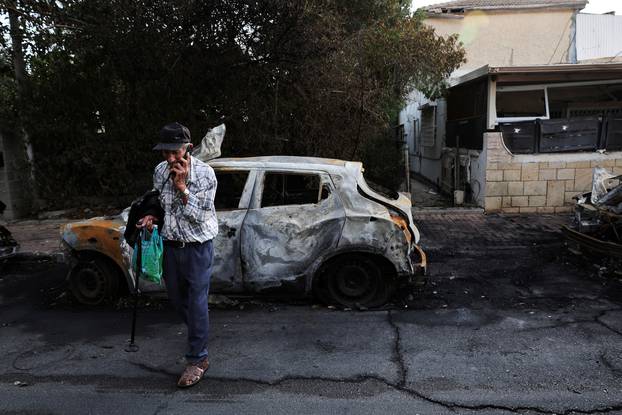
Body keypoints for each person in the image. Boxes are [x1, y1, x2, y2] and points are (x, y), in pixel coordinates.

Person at [138, 122, 218, 388]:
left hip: (197, 247)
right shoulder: (160, 171)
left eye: (176, 152)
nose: (171, 158)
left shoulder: (206, 175)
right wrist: (151, 216)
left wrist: (183, 188)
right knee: (176, 299)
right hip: (171, 245)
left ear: (189, 148)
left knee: (196, 302)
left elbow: (200, 217)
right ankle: (200, 330)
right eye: (165, 152)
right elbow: (160, 204)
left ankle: (198, 358)